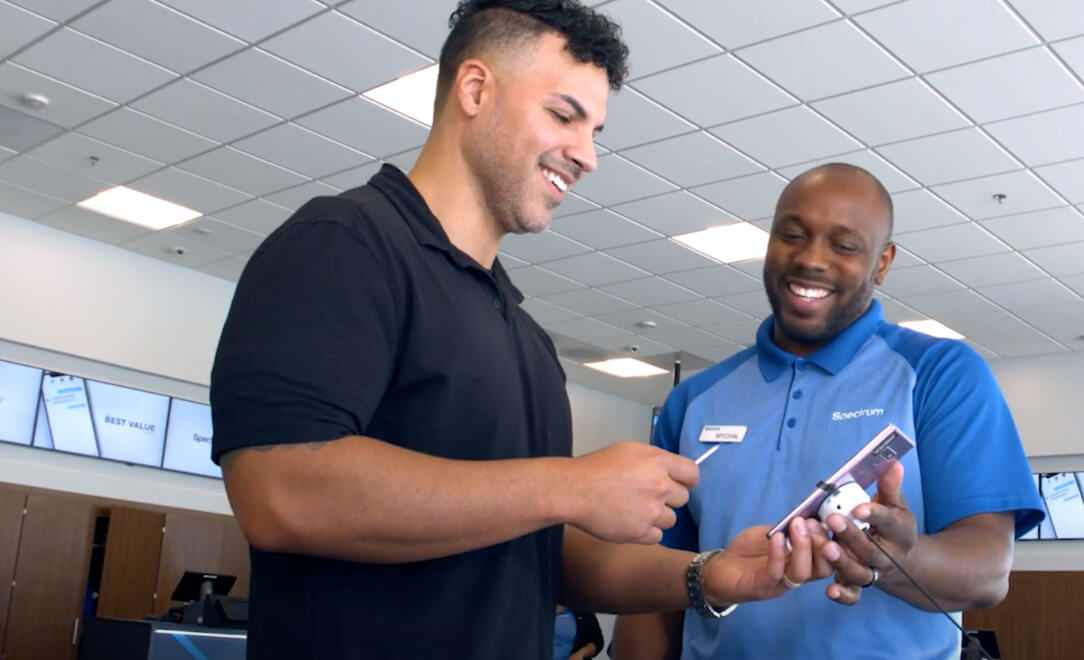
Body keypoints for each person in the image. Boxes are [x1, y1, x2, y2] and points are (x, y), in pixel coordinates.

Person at [209, 2, 844, 659]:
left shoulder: (528, 341)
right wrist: (570, 485)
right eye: (563, 115)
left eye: (595, 129)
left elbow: (542, 552)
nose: (588, 155)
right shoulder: (346, 245)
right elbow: (281, 491)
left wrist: (710, 574)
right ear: (476, 90)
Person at [612, 163, 1045, 660]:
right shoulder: (695, 399)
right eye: (792, 235)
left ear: (882, 263)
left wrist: (900, 558)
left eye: (843, 246)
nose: (811, 260)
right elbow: (656, 583)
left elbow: (988, 573)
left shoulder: (940, 374)